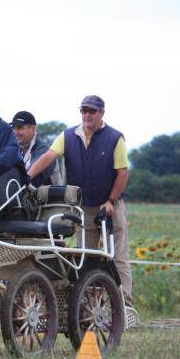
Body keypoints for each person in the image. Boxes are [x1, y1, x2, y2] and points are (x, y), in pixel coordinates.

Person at [27, 95, 132, 306]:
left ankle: (124, 304)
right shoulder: (68, 136)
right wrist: (27, 177)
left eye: (92, 111)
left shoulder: (115, 138)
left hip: (110, 206)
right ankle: (90, 305)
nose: (87, 115)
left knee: (118, 257)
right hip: (83, 208)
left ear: (101, 113)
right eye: (84, 111)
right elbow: (49, 156)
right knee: (86, 258)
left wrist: (111, 201)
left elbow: (122, 173)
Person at [10, 111, 62, 186]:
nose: (15, 132)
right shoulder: (16, 148)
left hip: (49, 197)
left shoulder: (44, 150)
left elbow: (33, 179)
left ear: (33, 129)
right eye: (13, 128)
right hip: (28, 195)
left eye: (19, 127)